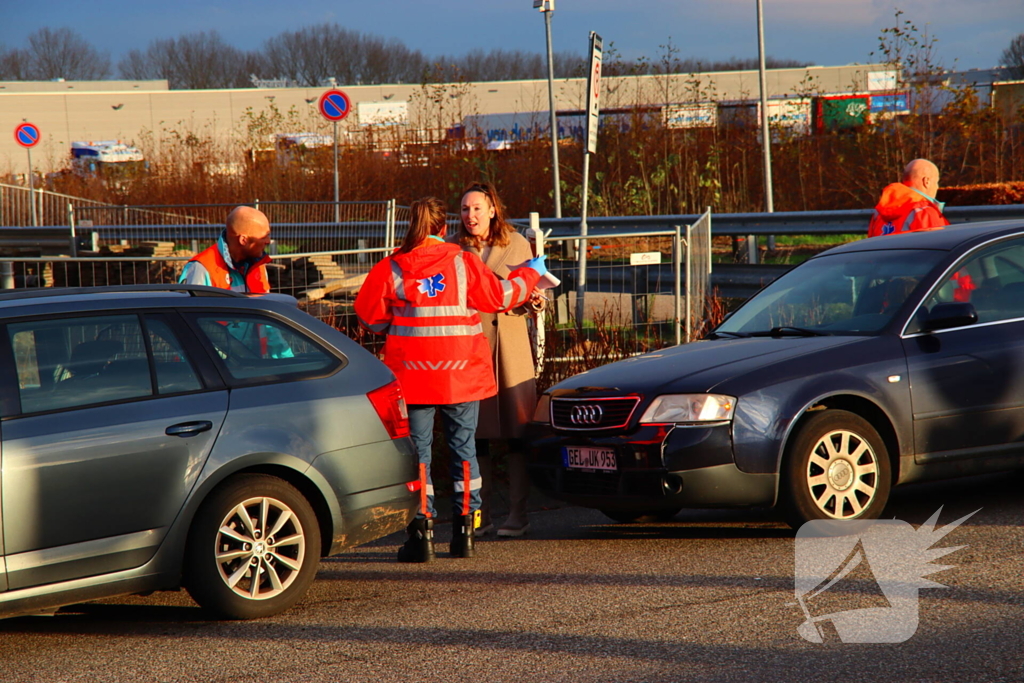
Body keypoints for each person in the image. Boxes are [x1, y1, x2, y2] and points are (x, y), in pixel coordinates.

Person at [355, 196, 546, 562]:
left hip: (413, 379)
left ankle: (421, 535)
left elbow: (369, 316)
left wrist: (400, 322)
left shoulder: (393, 266)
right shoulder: (463, 261)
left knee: (420, 457)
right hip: (461, 376)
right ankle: (465, 533)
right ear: (444, 228)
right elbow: (500, 296)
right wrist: (530, 272)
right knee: (464, 452)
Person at [454, 182, 546, 538]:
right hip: (469, 351)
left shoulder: (518, 244)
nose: (470, 215)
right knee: (474, 438)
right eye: (464, 209)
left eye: (477, 208)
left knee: (516, 436)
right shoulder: (454, 249)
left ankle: (518, 515)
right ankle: (482, 515)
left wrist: (535, 302)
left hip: (509, 351)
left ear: (493, 209)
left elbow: (529, 293)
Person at [179, 205, 273, 291]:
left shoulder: (258, 265)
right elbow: (193, 308)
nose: (268, 241)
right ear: (243, 240)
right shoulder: (201, 269)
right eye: (264, 237)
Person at [867, 158, 949, 238]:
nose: (937, 187)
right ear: (926, 181)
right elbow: (938, 246)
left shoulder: (879, 213)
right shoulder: (925, 212)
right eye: (936, 182)